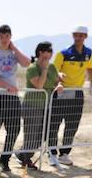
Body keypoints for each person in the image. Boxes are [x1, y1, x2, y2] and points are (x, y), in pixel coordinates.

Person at [49, 25, 92, 167]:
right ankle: (52, 153)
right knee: (54, 124)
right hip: (62, 91)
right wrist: (58, 78)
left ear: (85, 37)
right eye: (76, 35)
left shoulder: (88, 53)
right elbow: (53, 70)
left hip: (77, 92)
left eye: (81, 35)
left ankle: (64, 153)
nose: (78, 38)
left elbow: (90, 69)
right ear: (73, 36)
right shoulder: (63, 53)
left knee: (72, 125)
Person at [0, 24, 30, 173]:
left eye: (7, 36)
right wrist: (6, 86)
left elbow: (27, 63)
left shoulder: (14, 52)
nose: (4, 39)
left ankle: (5, 159)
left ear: (10, 37)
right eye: (1, 37)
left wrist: (14, 48)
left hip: (12, 97)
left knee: (14, 129)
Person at [18, 41, 63, 169]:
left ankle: (21, 154)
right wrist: (43, 69)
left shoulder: (53, 67)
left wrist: (59, 85)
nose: (49, 54)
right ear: (39, 52)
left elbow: (55, 81)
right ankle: (25, 159)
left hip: (46, 106)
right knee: (31, 134)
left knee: (43, 135)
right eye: (46, 51)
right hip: (32, 106)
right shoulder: (32, 68)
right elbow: (39, 85)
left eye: (50, 51)